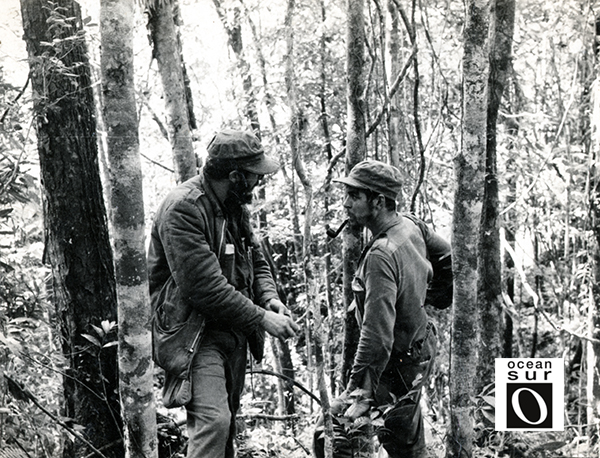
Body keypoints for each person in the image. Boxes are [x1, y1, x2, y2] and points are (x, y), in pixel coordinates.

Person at [147, 129, 299, 458]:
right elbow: (204, 287)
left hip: (233, 330)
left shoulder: (231, 206)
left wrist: (269, 297)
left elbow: (255, 259)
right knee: (214, 421)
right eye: (254, 175)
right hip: (194, 334)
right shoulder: (184, 209)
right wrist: (263, 318)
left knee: (226, 427)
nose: (259, 182)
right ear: (234, 176)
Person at [319, 160, 451, 458]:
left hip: (397, 365)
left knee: (332, 430)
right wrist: (433, 297)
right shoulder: (409, 224)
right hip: (418, 350)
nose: (346, 203)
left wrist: (361, 391)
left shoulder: (381, 255)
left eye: (354, 196)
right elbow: (447, 257)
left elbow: (376, 332)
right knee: (407, 442)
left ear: (378, 202)